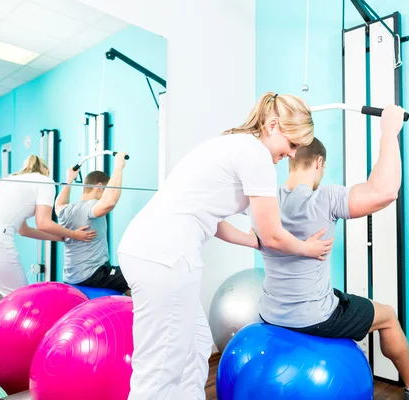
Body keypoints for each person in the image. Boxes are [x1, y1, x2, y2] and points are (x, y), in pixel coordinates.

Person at [116, 92, 333, 400]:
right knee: (161, 366)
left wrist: (251, 241)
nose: (293, 153)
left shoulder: (231, 144)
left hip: (149, 249)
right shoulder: (256, 155)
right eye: (293, 143)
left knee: (196, 346)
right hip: (165, 257)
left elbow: (213, 219)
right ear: (273, 126)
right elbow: (273, 234)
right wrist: (306, 248)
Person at [226, 105, 409, 400]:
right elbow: (385, 191)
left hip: (271, 312)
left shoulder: (264, 199)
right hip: (315, 316)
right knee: (389, 316)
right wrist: (389, 131)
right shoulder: (324, 198)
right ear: (318, 163)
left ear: (291, 159)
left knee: (339, 295)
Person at [0, 155, 97, 301]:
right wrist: (73, 234)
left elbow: (24, 230)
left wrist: (62, 237)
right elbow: (43, 223)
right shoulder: (45, 181)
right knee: (20, 299)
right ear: (46, 170)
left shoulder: (12, 180)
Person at [55, 153, 130, 295]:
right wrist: (119, 166)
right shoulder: (91, 207)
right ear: (99, 187)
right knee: (136, 276)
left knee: (122, 281)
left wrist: (69, 180)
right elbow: (109, 203)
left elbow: (58, 204)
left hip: (71, 276)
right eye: (106, 189)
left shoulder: (66, 210)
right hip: (92, 274)